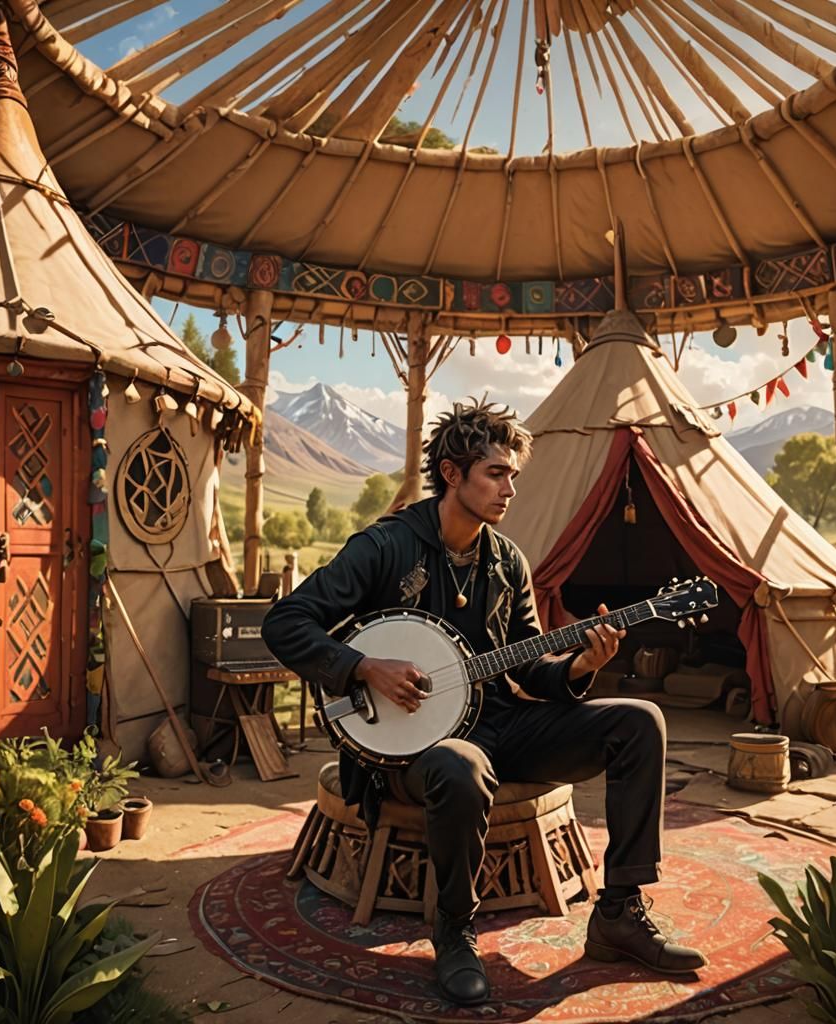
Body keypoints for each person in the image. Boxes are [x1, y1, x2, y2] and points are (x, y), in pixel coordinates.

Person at [262, 398, 707, 1006]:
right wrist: (363, 666)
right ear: (452, 473)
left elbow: (528, 660)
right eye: (496, 473)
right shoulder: (386, 547)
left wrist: (580, 665)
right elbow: (286, 622)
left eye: (513, 476)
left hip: (499, 721)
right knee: (459, 764)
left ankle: (619, 913)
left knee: (638, 721)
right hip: (410, 748)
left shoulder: (507, 561)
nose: (510, 490)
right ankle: (453, 930)